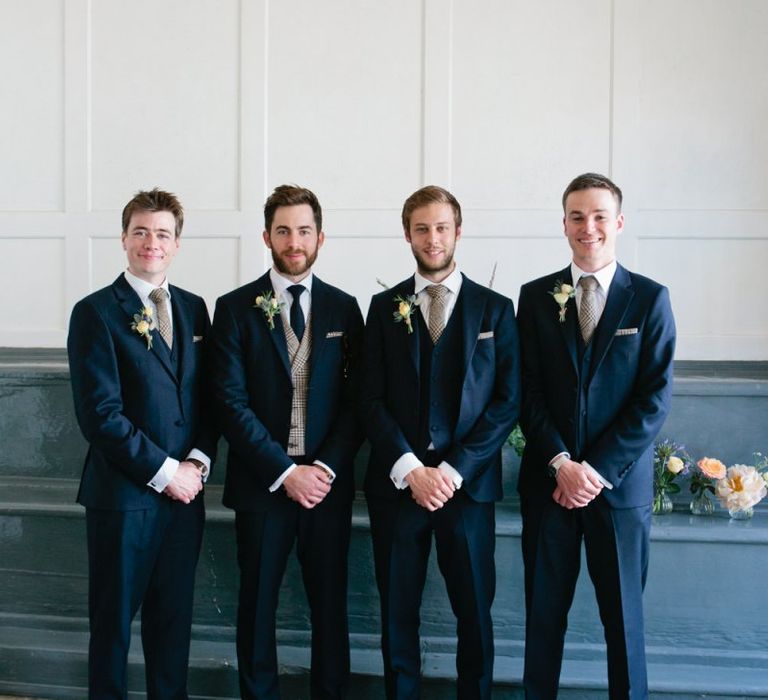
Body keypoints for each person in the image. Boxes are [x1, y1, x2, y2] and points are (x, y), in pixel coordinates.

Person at [517, 173, 676, 699]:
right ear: (563, 224)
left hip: (618, 493)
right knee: (543, 621)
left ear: (619, 223)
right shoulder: (535, 297)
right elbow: (528, 393)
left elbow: (652, 401)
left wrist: (595, 471)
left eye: (600, 216)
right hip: (549, 487)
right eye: (578, 216)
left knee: (624, 624)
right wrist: (561, 462)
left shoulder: (651, 299)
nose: (589, 227)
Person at [361, 185, 521, 699]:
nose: (433, 239)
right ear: (407, 233)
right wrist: (411, 468)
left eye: (442, 227)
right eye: (422, 228)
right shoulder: (384, 307)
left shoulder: (496, 309)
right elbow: (369, 398)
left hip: (467, 491)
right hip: (399, 488)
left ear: (458, 230)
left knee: (474, 612)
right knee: (396, 615)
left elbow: (507, 401)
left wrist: (451, 471)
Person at [209, 185, 364, 700]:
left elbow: (355, 403)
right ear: (266, 237)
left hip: (327, 487)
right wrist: (284, 471)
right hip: (262, 485)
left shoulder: (346, 309)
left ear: (320, 237)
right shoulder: (233, 309)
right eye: (283, 231)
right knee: (256, 605)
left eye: (303, 231)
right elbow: (230, 403)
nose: (293, 242)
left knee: (330, 607)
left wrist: (324, 471)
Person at [67, 188, 217, 699]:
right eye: (141, 232)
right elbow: (100, 417)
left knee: (172, 626)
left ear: (176, 244)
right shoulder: (95, 313)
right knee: (111, 628)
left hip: (185, 502)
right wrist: (165, 472)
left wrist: (195, 463)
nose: (151, 243)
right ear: (124, 238)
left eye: (162, 234)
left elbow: (206, 402)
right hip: (123, 500)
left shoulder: (196, 310)